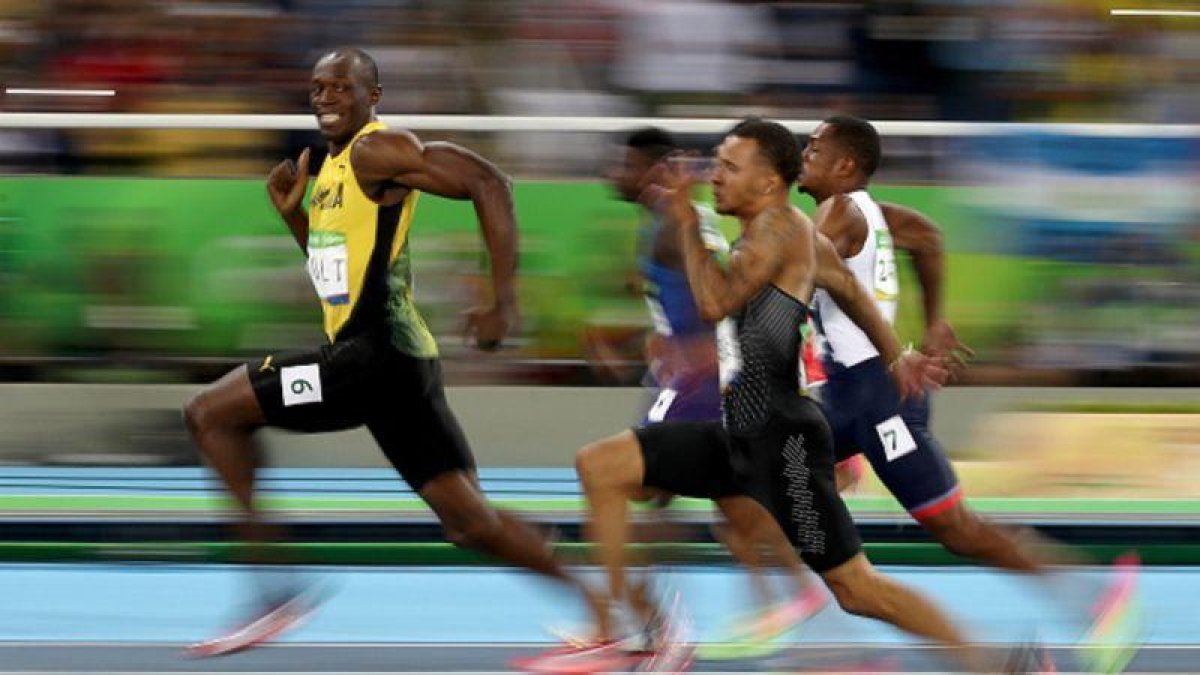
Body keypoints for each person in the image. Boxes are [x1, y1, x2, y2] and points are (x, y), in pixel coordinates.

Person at [521, 118, 1041, 674]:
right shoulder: (792, 235)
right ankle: (623, 632)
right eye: (716, 164)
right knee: (601, 466)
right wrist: (898, 354)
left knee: (857, 588)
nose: (713, 178)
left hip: (783, 443)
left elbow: (714, 304)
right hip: (738, 432)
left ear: (768, 182)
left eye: (728, 167)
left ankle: (996, 666)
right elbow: (851, 291)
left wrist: (686, 225)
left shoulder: (778, 232)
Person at [182, 47, 607, 656]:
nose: (325, 98)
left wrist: (502, 300)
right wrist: (295, 220)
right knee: (469, 523)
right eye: (317, 88)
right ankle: (610, 616)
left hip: (371, 359)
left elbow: (490, 181)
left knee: (208, 413)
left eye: (340, 87)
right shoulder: (328, 172)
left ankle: (272, 591)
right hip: (395, 368)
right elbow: (340, 279)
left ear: (372, 95)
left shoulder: (376, 150)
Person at [799, 115, 1138, 669]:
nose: (803, 154)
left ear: (846, 166)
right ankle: (831, 632)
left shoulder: (838, 211)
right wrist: (935, 322)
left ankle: (1098, 601)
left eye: (815, 148)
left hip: (874, 401)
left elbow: (798, 271)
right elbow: (929, 237)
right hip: (852, 396)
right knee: (772, 483)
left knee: (958, 529)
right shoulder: (874, 214)